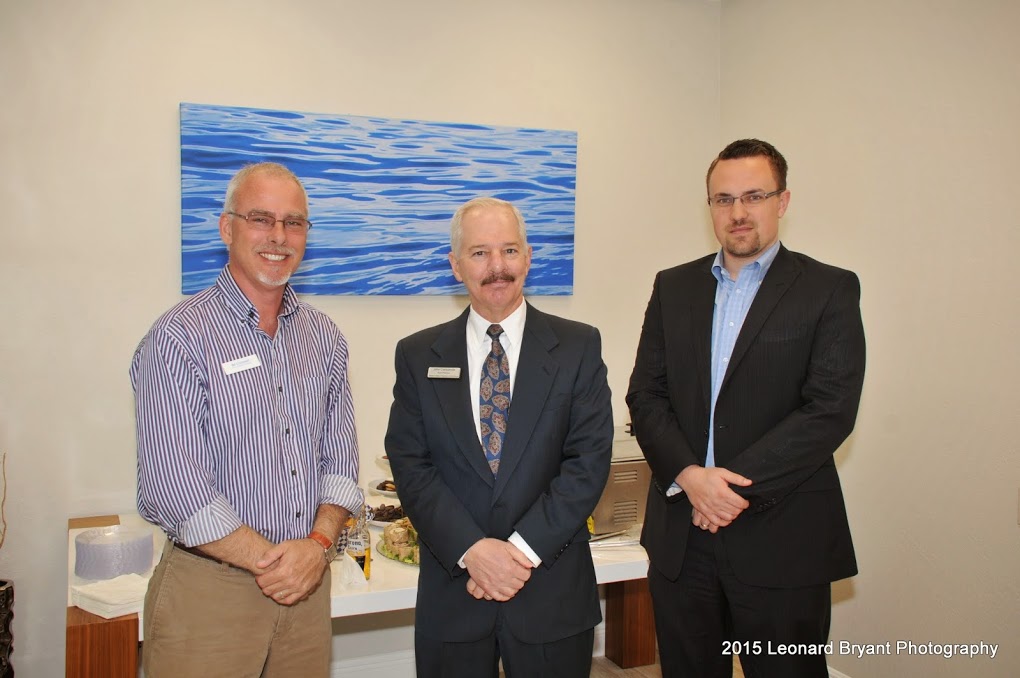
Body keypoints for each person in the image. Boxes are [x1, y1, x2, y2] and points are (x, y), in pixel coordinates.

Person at [626, 139, 866, 678]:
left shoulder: (828, 289)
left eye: (754, 196)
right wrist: (691, 477)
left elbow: (829, 410)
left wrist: (725, 489)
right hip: (682, 538)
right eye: (723, 199)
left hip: (782, 538)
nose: (738, 212)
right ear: (709, 206)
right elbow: (645, 394)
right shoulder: (673, 286)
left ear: (783, 201)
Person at [131, 162, 363, 677]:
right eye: (261, 218)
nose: (278, 236)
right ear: (227, 227)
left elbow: (340, 462)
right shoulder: (178, 337)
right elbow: (173, 486)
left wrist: (317, 546)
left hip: (307, 589)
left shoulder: (324, 337)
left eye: (293, 222)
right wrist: (279, 562)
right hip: (211, 594)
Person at [384, 197, 614, 678]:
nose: (497, 267)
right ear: (455, 266)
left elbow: (587, 462)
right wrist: (473, 550)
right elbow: (410, 464)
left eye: (509, 250)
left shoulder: (578, 346)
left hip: (551, 592)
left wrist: (518, 554)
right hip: (455, 593)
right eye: (479, 253)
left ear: (528, 258)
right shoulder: (418, 355)